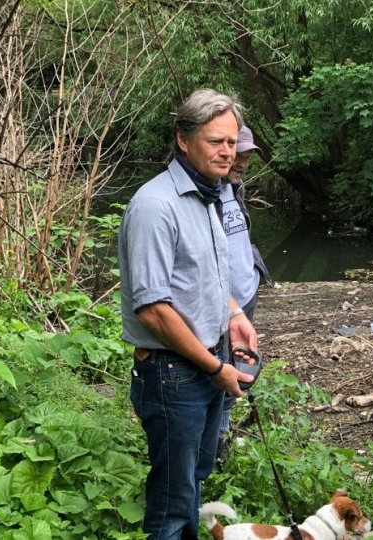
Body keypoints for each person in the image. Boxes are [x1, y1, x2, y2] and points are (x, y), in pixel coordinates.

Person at [118, 88, 258, 540]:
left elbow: (209, 275)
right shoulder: (155, 206)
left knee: (194, 476)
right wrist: (216, 367)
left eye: (231, 141)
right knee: (173, 501)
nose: (226, 151)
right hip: (172, 372)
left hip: (206, 361)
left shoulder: (210, 193)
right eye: (215, 140)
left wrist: (235, 315)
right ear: (183, 138)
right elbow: (154, 309)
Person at [214, 126, 272, 468]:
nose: (244, 160)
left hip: (244, 299)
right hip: (221, 303)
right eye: (240, 152)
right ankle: (216, 446)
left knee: (238, 368)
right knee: (220, 374)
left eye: (248, 154)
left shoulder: (235, 189)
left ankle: (220, 438)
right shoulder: (205, 193)